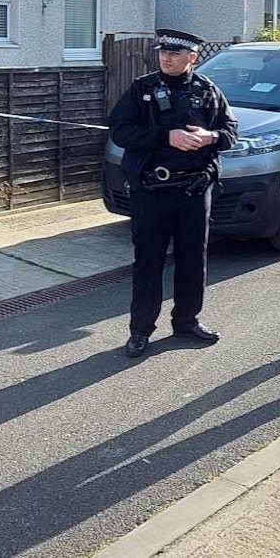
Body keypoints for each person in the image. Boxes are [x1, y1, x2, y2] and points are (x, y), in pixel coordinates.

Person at [109, 28, 238, 358]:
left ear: (193, 57)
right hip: (152, 189)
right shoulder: (143, 89)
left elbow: (230, 133)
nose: (166, 57)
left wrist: (210, 137)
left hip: (194, 189)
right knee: (148, 262)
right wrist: (166, 136)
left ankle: (187, 321)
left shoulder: (208, 90)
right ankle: (140, 330)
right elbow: (121, 130)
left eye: (175, 53)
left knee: (193, 260)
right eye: (163, 52)